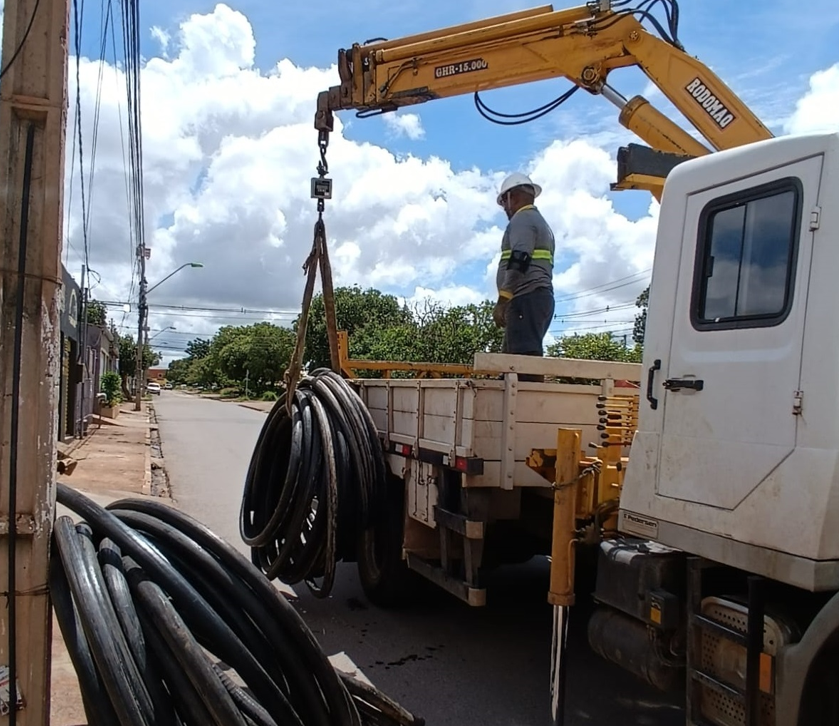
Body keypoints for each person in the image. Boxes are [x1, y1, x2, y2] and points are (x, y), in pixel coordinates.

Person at [492, 172, 556, 364]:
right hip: (535, 299)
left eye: (503, 201)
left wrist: (504, 299)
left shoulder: (522, 220)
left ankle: (526, 396)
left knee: (521, 365)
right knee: (515, 361)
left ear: (512, 196)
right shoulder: (540, 223)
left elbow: (520, 257)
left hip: (526, 299)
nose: (504, 208)